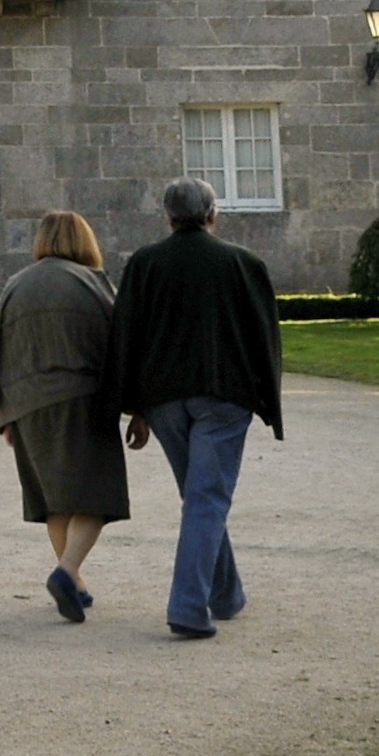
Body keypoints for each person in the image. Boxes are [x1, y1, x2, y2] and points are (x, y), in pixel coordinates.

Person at [113, 175, 286, 637]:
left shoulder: (145, 264)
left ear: (168, 217)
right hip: (225, 397)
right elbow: (264, 340)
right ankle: (189, 606)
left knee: (200, 497)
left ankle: (226, 595)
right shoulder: (243, 263)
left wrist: (135, 408)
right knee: (206, 497)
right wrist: (269, 405)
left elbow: (127, 337)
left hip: (165, 400)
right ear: (213, 214)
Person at [0, 210, 128, 622]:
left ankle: (75, 583)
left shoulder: (16, 286)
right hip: (83, 401)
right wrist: (134, 407)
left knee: (54, 501)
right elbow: (116, 346)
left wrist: (4, 414)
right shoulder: (93, 283)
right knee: (98, 495)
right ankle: (67, 571)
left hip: (27, 406)